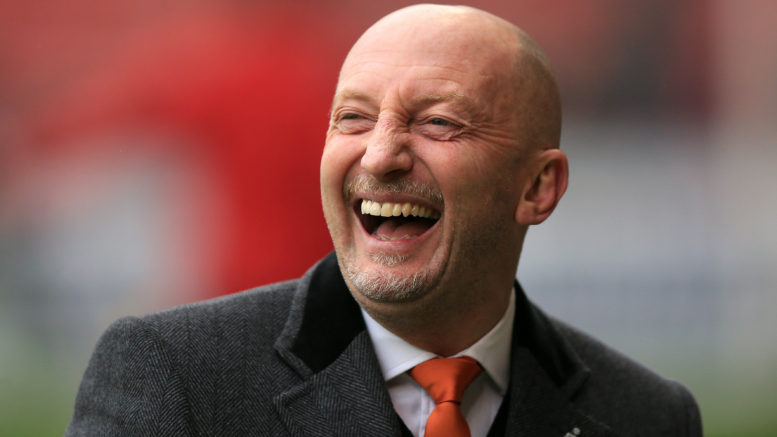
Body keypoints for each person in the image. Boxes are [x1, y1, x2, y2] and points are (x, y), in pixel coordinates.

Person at [66, 4, 702, 436]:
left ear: (539, 188)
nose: (379, 155)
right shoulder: (170, 374)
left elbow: (124, 116)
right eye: (354, 119)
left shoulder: (650, 416)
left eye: (438, 122)